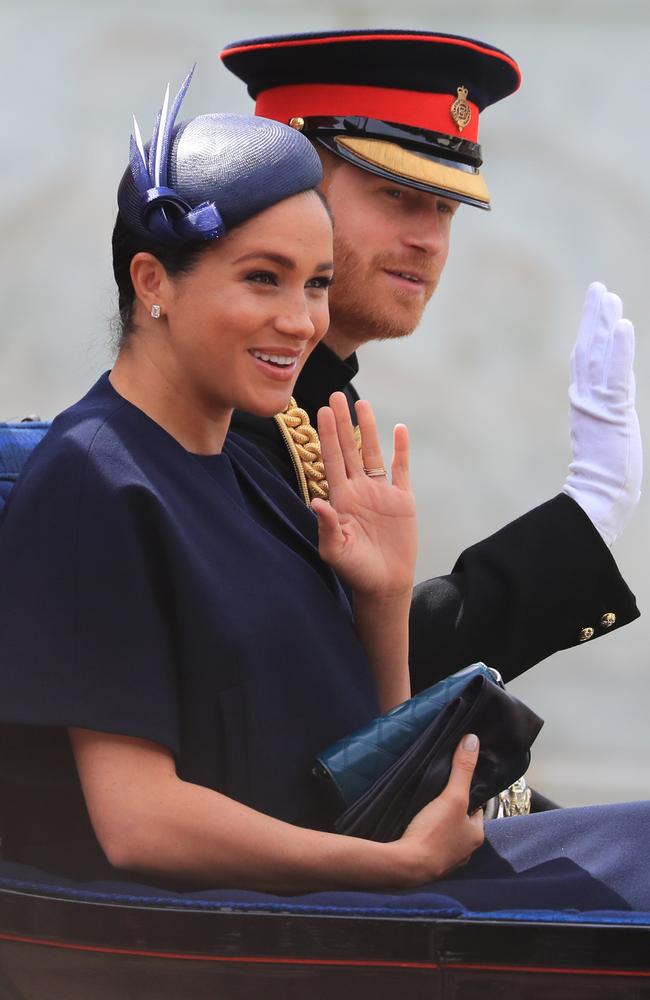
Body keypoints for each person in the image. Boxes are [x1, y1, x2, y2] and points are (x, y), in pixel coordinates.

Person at [1, 70, 649, 913]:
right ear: (154, 280)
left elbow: (362, 755)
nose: (303, 320)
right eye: (263, 279)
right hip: (280, 920)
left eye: (314, 283)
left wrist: (380, 601)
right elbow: (138, 823)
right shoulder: (97, 475)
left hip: (348, 883)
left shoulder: (247, 461)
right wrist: (397, 869)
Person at [220, 29, 642, 692]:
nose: (427, 239)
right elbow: (325, 682)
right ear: (287, 193)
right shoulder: (231, 404)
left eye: (446, 206)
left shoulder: (316, 396)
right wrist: (587, 512)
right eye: (396, 195)